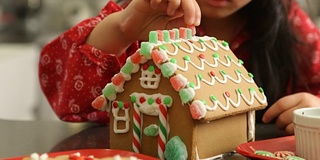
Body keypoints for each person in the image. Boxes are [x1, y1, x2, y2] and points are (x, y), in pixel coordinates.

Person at [39, 0, 320, 135]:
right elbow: (63, 88)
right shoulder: (145, 10)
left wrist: (314, 108)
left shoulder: (289, 22)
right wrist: (124, 28)